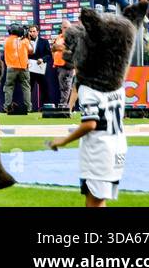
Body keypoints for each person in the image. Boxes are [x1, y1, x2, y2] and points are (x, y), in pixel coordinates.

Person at [45, 72, 127, 208]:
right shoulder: (116, 84)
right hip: (117, 147)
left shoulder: (88, 87)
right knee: (97, 201)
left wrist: (63, 141)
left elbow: (90, 124)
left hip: (100, 151)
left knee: (95, 203)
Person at [3, 24, 33, 113]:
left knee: (9, 87)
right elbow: (31, 51)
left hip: (11, 67)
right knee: (26, 87)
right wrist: (28, 39)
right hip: (23, 67)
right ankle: (28, 108)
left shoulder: (6, 41)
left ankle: (6, 108)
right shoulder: (25, 40)